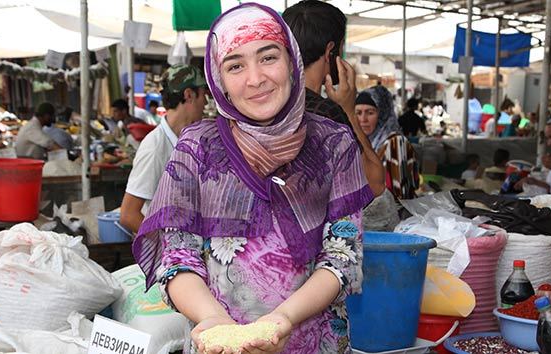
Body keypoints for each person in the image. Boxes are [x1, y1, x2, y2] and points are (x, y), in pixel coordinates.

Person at [132, 4, 374, 354]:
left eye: (268, 57)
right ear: (219, 81)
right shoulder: (197, 148)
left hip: (313, 343)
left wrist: (283, 319)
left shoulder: (333, 143)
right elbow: (176, 255)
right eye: (235, 65)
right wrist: (214, 319)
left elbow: (342, 256)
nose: (255, 78)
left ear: (291, 61)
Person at [283, 0, 385, 197]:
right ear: (331, 51)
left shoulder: (265, 104)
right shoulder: (326, 113)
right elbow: (375, 185)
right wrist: (348, 110)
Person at [119, 64, 208, 234]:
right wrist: (172, 248)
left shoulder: (189, 139)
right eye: (203, 95)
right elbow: (128, 215)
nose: (205, 102)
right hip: (172, 255)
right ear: (189, 95)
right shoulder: (155, 148)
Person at [356, 86, 419, 199]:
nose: (363, 119)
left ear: (383, 114)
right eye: (358, 112)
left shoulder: (396, 144)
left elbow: (401, 196)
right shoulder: (365, 142)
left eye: (370, 113)